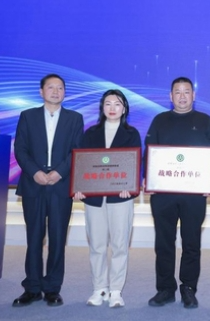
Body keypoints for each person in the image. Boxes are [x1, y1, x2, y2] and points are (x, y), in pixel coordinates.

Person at [144, 77, 210, 309]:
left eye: (186, 91)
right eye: (177, 92)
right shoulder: (159, 120)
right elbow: (149, 152)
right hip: (163, 193)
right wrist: (147, 175)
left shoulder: (205, 120)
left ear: (193, 95)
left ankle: (188, 288)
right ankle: (165, 289)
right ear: (170, 96)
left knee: (191, 243)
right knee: (164, 243)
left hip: (194, 193)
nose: (182, 96)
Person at [13, 74, 84, 307]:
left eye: (60, 88)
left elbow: (77, 150)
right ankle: (32, 288)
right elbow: (20, 148)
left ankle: (52, 288)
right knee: (33, 238)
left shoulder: (75, 118)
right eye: (51, 87)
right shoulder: (28, 116)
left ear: (65, 92)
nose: (55, 91)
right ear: (41, 91)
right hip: (33, 184)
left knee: (57, 238)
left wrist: (59, 172)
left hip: (60, 186)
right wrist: (34, 171)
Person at [73, 89, 141, 308]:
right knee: (97, 245)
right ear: (102, 108)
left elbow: (135, 164)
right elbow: (81, 163)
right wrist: (79, 187)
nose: (112, 108)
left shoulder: (131, 134)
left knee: (120, 245)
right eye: (108, 104)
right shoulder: (90, 133)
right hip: (94, 199)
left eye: (117, 104)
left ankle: (116, 290)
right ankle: (99, 288)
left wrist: (130, 188)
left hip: (120, 198)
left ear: (124, 109)